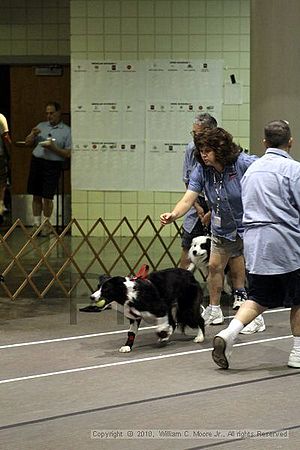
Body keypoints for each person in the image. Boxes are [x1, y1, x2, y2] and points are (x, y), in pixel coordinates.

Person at [212, 120, 300, 369]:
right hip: (286, 240)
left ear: (264, 142)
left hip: (255, 242)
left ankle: (229, 333)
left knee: (259, 296)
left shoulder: (251, 170)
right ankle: (297, 353)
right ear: (290, 142)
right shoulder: (294, 170)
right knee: (298, 297)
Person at [160, 127, 265, 333]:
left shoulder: (243, 163)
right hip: (222, 227)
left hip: (250, 225)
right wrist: (173, 214)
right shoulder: (201, 169)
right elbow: (189, 197)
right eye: (200, 150)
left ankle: (257, 318)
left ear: (221, 148)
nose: (203, 154)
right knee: (215, 266)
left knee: (253, 271)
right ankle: (214, 309)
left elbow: (266, 174)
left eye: (207, 150)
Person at [25, 102, 71, 236]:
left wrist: (53, 148)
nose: (49, 116)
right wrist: (33, 135)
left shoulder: (66, 131)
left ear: (58, 113)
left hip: (53, 165)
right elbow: (28, 142)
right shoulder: (41, 126)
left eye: (51, 113)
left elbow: (67, 153)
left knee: (47, 196)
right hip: (37, 162)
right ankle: (36, 224)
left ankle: (46, 224)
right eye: (47, 113)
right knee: (36, 194)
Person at [179, 113, 216, 269]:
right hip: (196, 200)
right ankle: (181, 288)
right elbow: (187, 180)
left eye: (198, 133)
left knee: (221, 253)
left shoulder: (222, 149)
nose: (195, 137)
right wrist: (198, 207)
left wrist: (212, 211)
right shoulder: (191, 148)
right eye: (193, 133)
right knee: (188, 246)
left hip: (219, 203)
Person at [0, 113, 12, 218]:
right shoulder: (0, 117)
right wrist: (11, 153)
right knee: (2, 181)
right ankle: (0, 206)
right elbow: (5, 137)